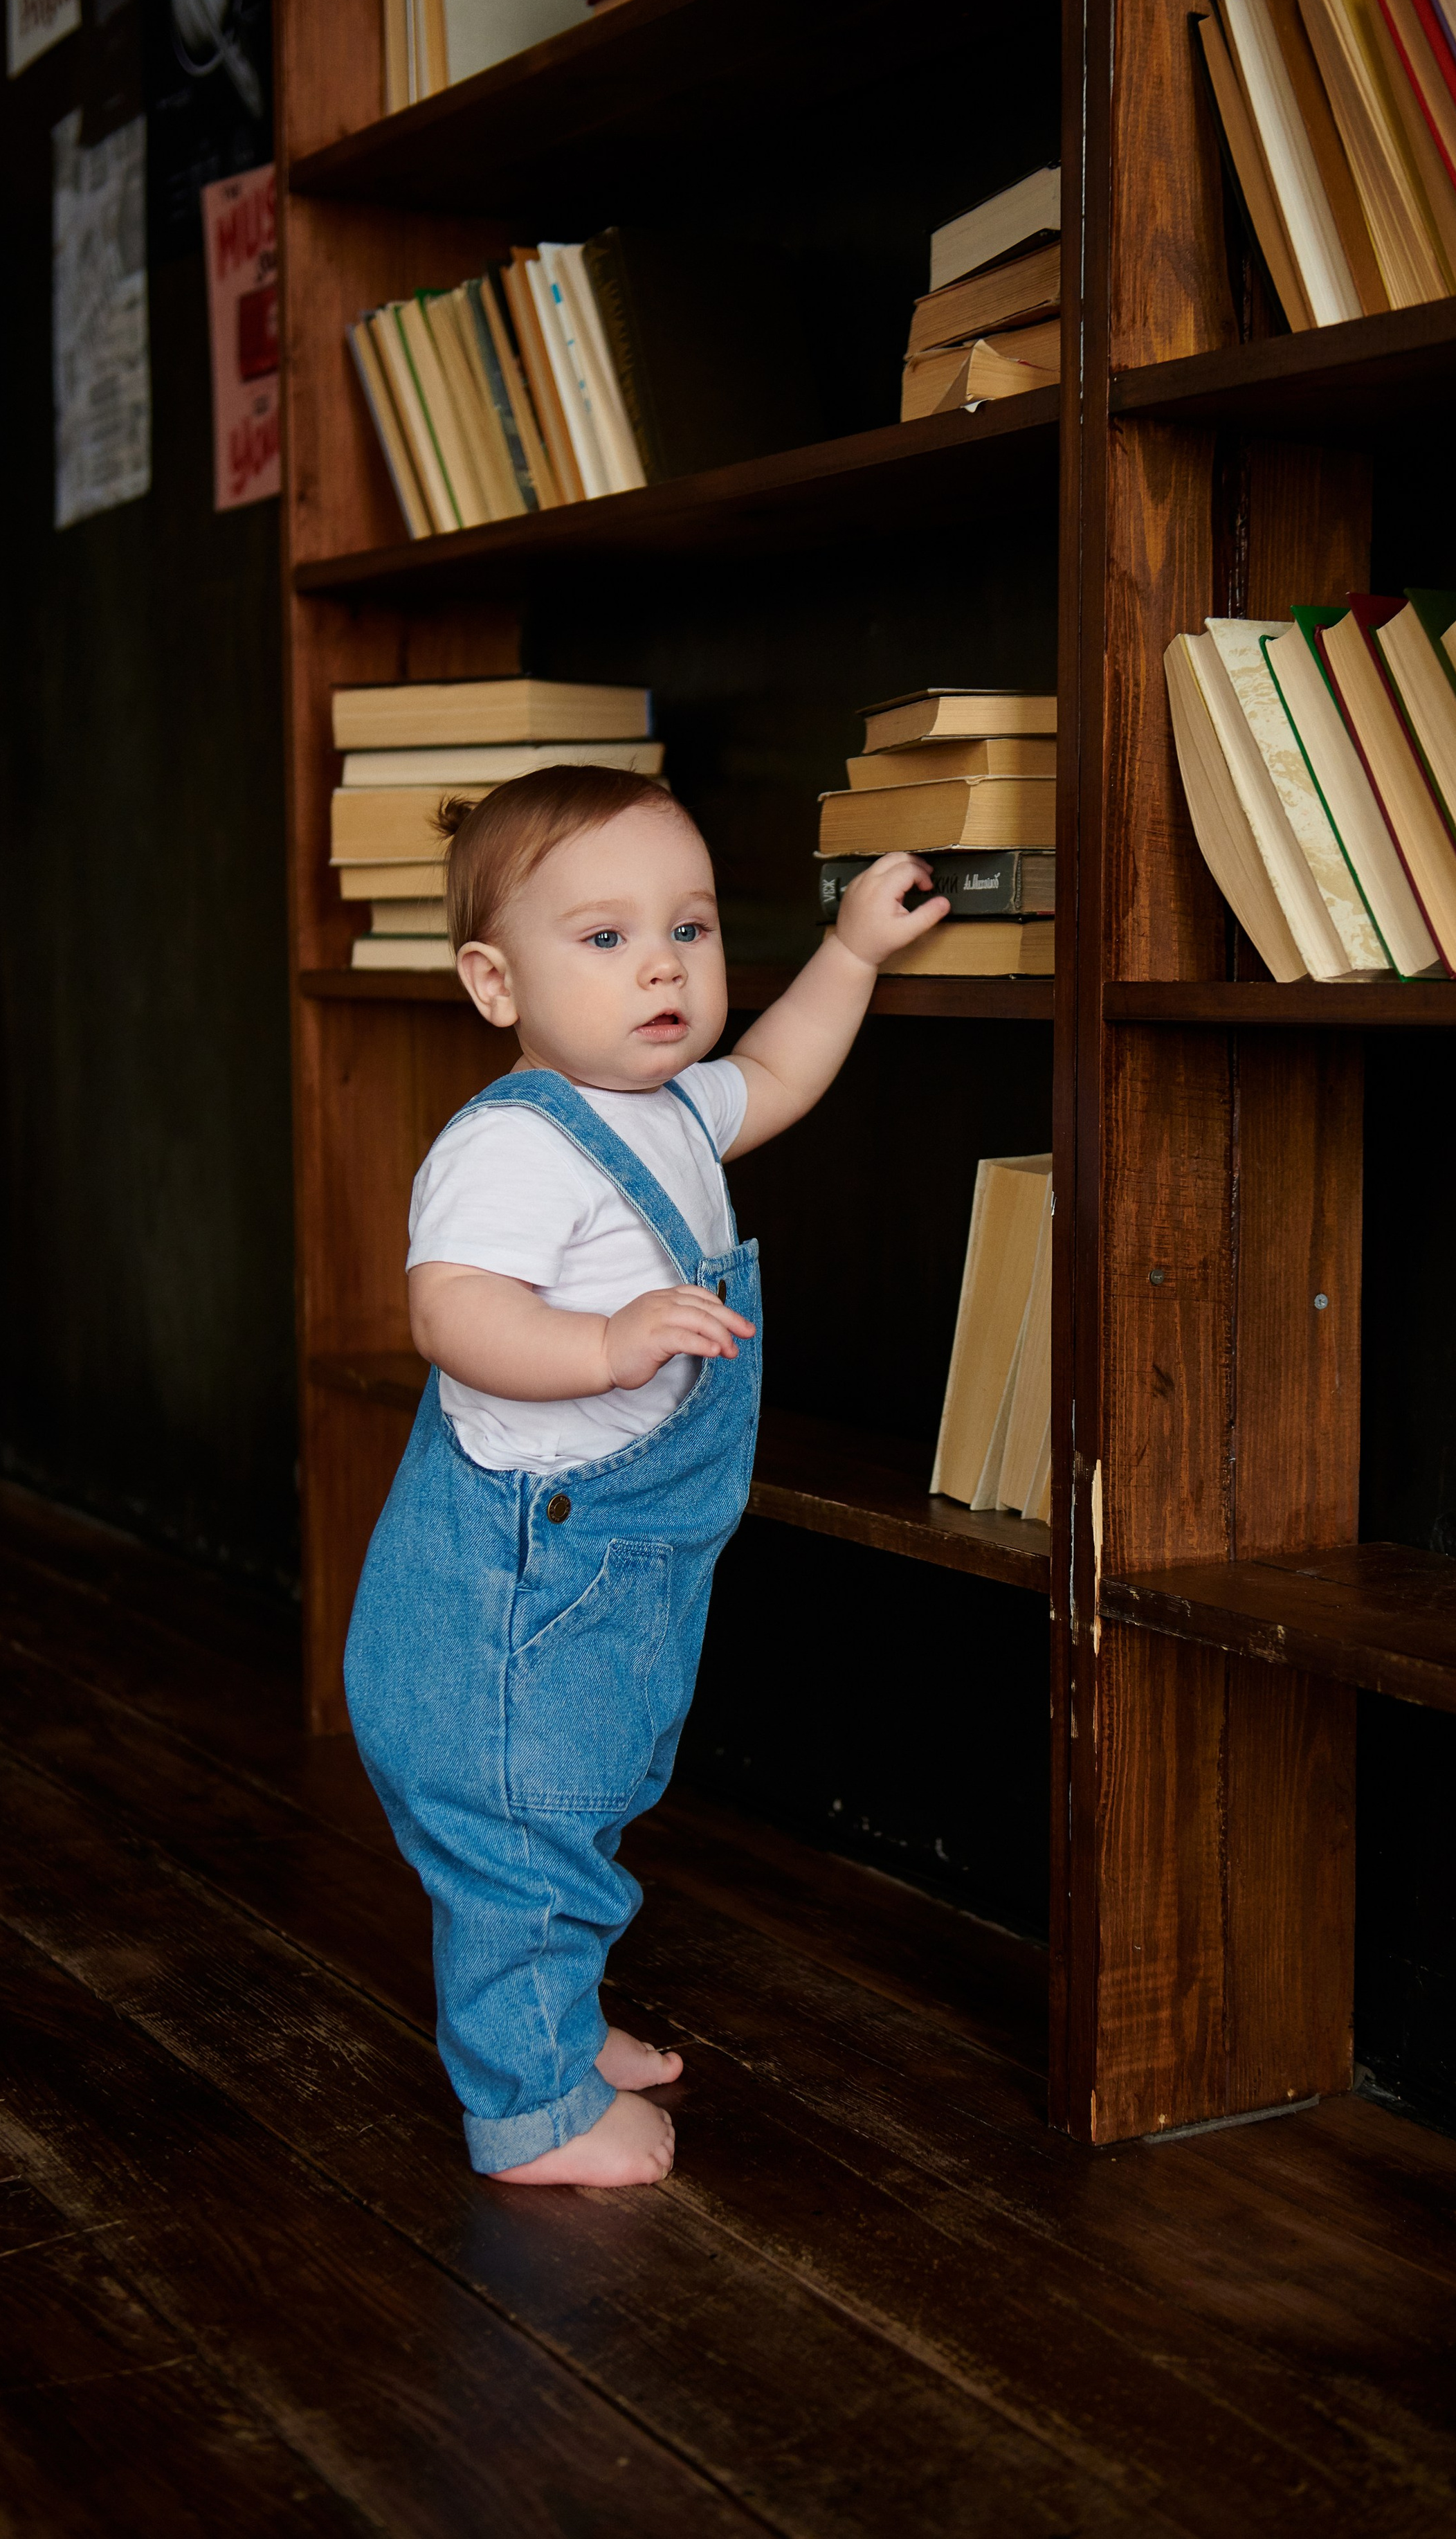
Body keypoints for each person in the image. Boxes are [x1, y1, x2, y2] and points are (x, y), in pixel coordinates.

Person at [345, 764, 946, 2186]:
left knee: (592, 1788)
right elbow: (452, 1315)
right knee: (521, 1821)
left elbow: (787, 1069)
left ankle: (555, 2019)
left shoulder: (666, 1108)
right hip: (520, 1571)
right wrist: (604, 1339)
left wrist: (850, 948)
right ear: (495, 982)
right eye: (604, 939)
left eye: (689, 929)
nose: (662, 966)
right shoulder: (510, 1147)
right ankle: (531, 2111)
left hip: (617, 1555)